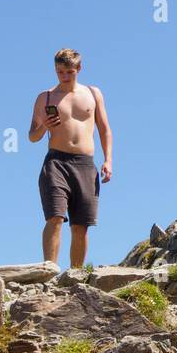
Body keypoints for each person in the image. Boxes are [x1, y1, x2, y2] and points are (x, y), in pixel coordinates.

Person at [28, 49, 112, 268]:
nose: (63, 76)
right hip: (56, 162)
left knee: (81, 225)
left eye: (68, 72)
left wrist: (108, 160)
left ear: (79, 69)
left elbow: (104, 129)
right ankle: (49, 271)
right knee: (54, 217)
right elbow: (32, 136)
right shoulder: (45, 97)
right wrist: (44, 126)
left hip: (85, 163)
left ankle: (75, 275)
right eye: (59, 72)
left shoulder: (93, 94)